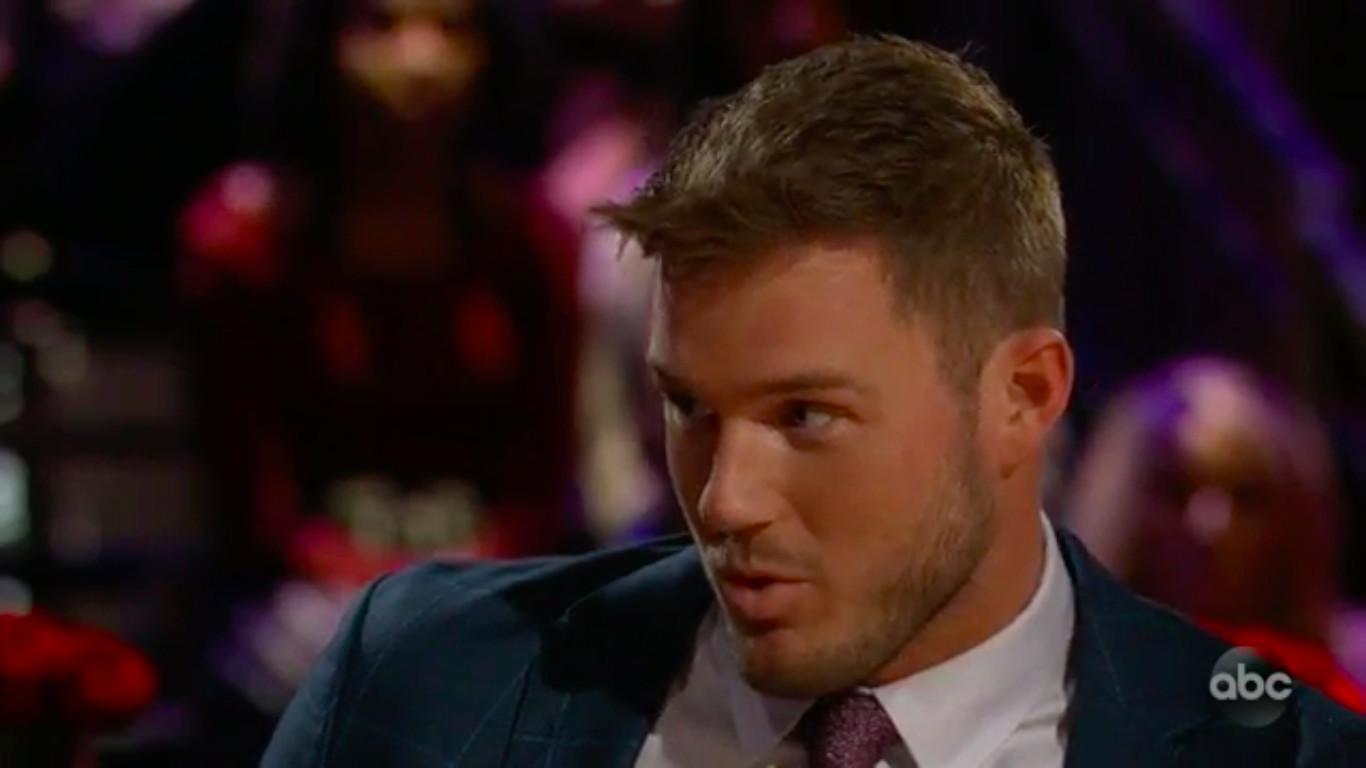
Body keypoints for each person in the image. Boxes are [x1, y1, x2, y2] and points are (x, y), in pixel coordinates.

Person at [262, 36, 1366, 767]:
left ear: (1022, 397)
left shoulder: (1281, 752)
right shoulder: (420, 677)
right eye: (690, 408)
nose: (725, 501)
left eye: (804, 417)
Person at [1068, 356, 1366, 711]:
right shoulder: (1066, 685)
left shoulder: (1334, 693)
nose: (1211, 525)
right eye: (1178, 491)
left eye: (1246, 496)